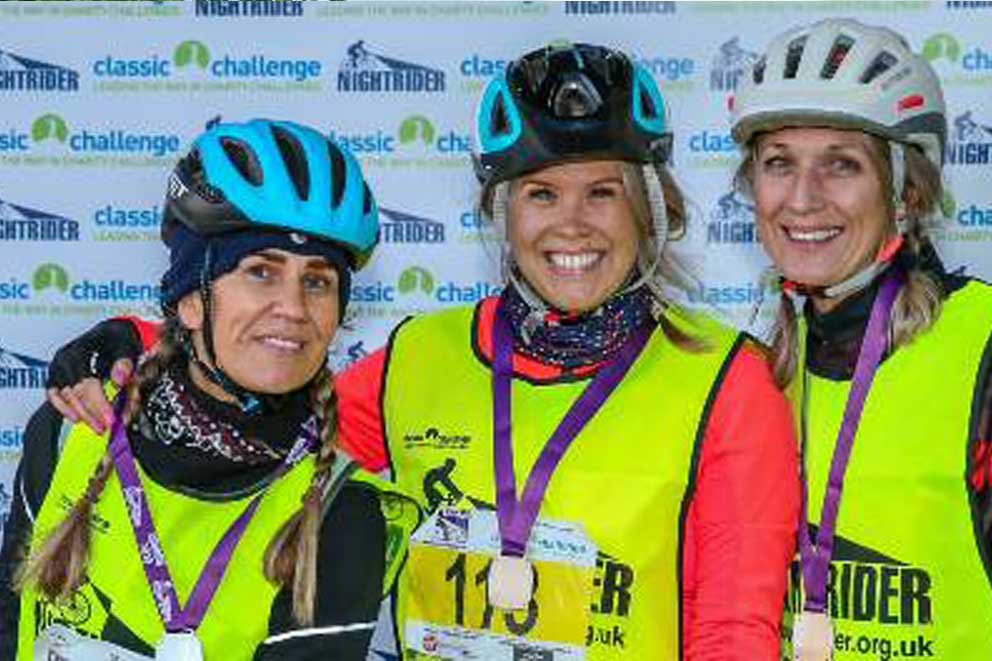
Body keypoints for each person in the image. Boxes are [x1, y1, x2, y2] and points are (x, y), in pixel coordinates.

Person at [23, 44, 799, 659]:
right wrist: (133, 339)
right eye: (541, 192)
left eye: (602, 192)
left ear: (649, 213)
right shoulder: (422, 355)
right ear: (501, 212)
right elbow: (271, 402)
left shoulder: (724, 378)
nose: (573, 224)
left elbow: (731, 631)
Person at [0, 118, 419, 660]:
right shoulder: (70, 429)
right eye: (260, 272)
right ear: (191, 299)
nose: (293, 308)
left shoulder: (342, 512)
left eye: (317, 281)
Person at [730, 18, 992, 659]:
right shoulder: (751, 372)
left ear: (905, 189)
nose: (801, 199)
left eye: (841, 165)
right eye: (778, 164)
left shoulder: (983, 344)